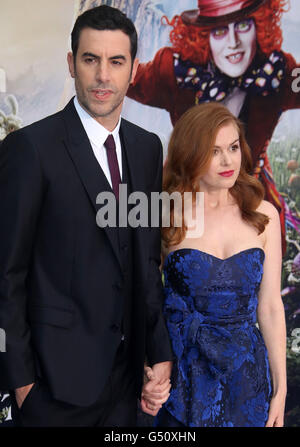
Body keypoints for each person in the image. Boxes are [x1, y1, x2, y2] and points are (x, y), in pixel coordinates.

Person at [0, 5, 172, 427]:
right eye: (90, 59)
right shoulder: (30, 150)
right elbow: (6, 276)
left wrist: (160, 353)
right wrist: (23, 388)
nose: (103, 76)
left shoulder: (147, 148)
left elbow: (146, 264)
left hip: (125, 384)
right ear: (71, 64)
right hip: (51, 390)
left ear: (133, 69)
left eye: (116, 62)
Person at [143, 102, 287, 427]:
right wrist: (148, 366)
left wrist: (280, 389)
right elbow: (144, 301)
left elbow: (271, 308)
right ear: (192, 154)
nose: (228, 161)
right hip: (183, 374)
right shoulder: (166, 214)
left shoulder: (264, 214)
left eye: (233, 148)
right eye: (214, 151)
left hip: (247, 376)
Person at [127, 0, 300, 254]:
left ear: (259, 25)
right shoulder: (176, 73)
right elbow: (124, 77)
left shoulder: (276, 73)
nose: (233, 43)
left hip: (250, 202)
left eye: (242, 26)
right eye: (219, 31)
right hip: (184, 200)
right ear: (203, 35)